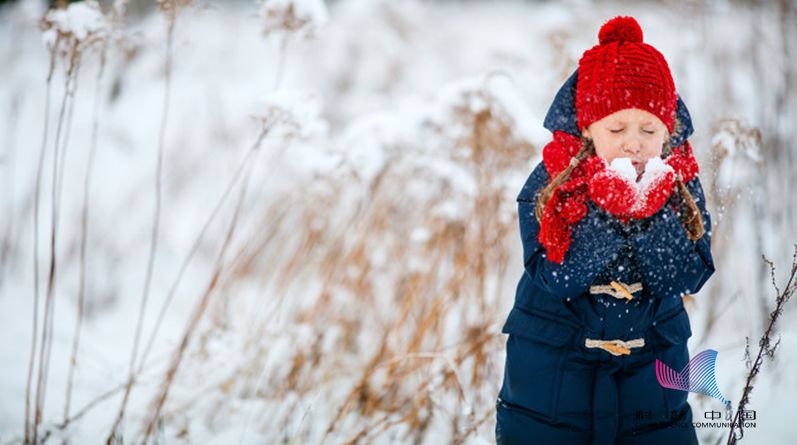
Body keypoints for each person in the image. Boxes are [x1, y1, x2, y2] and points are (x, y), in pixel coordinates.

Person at [495, 16, 716, 445]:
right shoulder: (552, 181)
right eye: (616, 129)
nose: (634, 143)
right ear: (588, 127)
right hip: (552, 380)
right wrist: (609, 214)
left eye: (649, 130)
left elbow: (688, 274)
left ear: (667, 130)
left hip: (651, 377)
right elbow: (555, 276)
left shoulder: (678, 181)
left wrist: (649, 212)